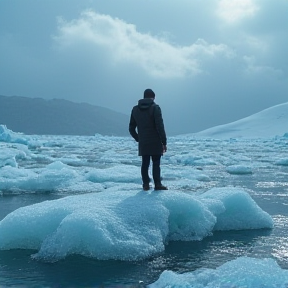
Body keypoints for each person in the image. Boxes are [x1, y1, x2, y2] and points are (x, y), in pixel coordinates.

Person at [129, 88, 168, 191]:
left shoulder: (135, 109)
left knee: (145, 163)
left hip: (144, 142)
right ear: (153, 97)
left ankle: (146, 184)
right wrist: (164, 142)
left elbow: (131, 128)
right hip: (155, 141)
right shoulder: (155, 108)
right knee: (156, 163)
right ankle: (157, 184)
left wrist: (139, 138)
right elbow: (160, 126)